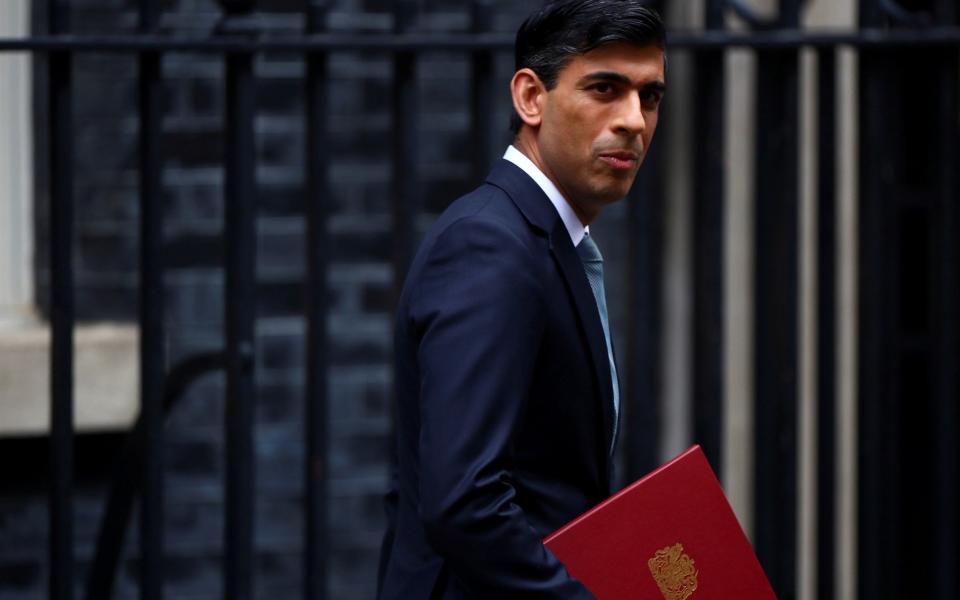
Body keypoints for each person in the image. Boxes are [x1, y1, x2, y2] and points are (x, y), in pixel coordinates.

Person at [377, 1, 666, 597]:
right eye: (605, 88)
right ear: (531, 98)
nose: (634, 120)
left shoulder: (537, 238)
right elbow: (464, 504)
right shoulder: (491, 245)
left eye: (650, 96)